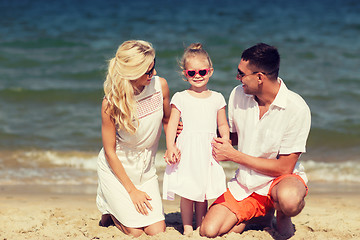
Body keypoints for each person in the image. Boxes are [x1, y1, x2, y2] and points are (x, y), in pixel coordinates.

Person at [199, 43, 311, 238]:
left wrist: (234, 156)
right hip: (246, 184)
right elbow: (232, 135)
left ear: (260, 77)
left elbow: (284, 167)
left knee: (289, 200)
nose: (237, 78)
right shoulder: (238, 94)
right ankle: (259, 215)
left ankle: (281, 213)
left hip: (280, 181)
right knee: (209, 231)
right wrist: (195, 129)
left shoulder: (297, 108)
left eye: (241, 74)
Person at [96, 40, 171, 237]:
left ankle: (112, 205)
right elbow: (110, 152)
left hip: (146, 169)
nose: (153, 74)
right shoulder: (110, 104)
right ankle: (110, 207)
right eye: (148, 71)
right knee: (135, 232)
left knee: (156, 230)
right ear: (132, 73)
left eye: (154, 67)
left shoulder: (160, 86)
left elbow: (168, 119)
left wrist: (175, 137)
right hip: (117, 170)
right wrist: (132, 191)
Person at [162, 43, 229, 236]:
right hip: (187, 149)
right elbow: (172, 125)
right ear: (185, 74)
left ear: (210, 71)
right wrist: (170, 147)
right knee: (188, 190)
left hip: (208, 149)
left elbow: (222, 125)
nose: (197, 75)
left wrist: (224, 140)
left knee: (204, 191)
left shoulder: (217, 98)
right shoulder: (181, 97)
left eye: (202, 71)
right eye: (192, 73)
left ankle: (200, 224)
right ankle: (188, 227)